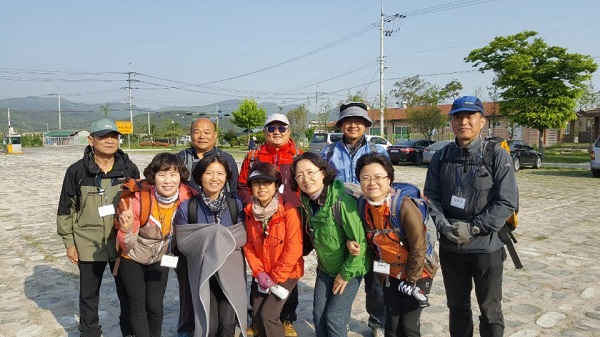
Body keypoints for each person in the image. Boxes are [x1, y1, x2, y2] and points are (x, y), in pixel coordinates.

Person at [424, 96, 518, 337]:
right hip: (451, 247)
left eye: (469, 116)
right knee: (457, 307)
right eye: (457, 117)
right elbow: (431, 196)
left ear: (482, 121)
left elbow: (507, 201)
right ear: (451, 122)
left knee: (490, 309)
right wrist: (443, 226)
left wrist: (474, 228)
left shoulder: (496, 155)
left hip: (486, 247)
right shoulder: (441, 156)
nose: (463, 122)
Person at [56, 118, 139, 337]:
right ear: (91, 140)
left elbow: (139, 205)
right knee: (89, 294)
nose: (110, 141)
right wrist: (69, 242)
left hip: (120, 242)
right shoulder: (77, 171)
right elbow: (66, 208)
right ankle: (90, 331)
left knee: (127, 292)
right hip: (87, 243)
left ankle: (129, 331)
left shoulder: (129, 169)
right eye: (103, 136)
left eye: (114, 136)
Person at [321, 101, 388, 337]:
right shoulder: (328, 152)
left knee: (376, 278)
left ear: (366, 126)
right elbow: (323, 189)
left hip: (374, 221)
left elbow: (387, 185)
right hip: (341, 224)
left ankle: (378, 321)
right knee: (343, 271)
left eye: (359, 121)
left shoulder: (377, 152)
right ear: (341, 125)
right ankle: (341, 318)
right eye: (348, 121)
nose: (353, 125)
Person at [354, 152, 437, 337]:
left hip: (418, 272)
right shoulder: (362, 205)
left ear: (389, 179)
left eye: (378, 177)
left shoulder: (404, 206)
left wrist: (411, 280)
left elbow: (418, 246)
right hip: (390, 273)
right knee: (392, 326)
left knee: (408, 327)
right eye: (365, 178)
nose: (372, 183)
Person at [291, 152, 370, 337]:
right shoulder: (306, 200)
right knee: (319, 315)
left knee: (334, 317)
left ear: (323, 173)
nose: (306, 179)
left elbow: (360, 245)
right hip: (326, 268)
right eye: (299, 175)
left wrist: (344, 275)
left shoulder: (343, 202)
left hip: (350, 269)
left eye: (311, 172)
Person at [238, 113, 303, 337]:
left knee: (288, 264)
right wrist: (254, 208)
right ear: (264, 131)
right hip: (258, 217)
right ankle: (258, 321)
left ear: (289, 132)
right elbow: (242, 186)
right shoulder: (253, 156)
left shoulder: (297, 156)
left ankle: (286, 319)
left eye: (282, 128)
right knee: (261, 267)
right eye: (272, 128)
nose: (277, 132)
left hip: (290, 217)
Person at [116, 153, 195, 337]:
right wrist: (127, 229)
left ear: (180, 177)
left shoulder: (186, 199)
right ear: (153, 177)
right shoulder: (138, 201)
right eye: (162, 174)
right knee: (137, 304)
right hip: (132, 257)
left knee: (155, 306)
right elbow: (126, 246)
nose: (168, 181)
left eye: (173, 174)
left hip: (161, 257)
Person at [175, 117, 239, 337]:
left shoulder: (227, 160)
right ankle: (186, 329)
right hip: (195, 255)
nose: (201, 135)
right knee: (195, 305)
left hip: (227, 263)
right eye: (197, 131)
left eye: (207, 131)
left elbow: (236, 193)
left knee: (227, 321)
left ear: (215, 135)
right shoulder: (180, 158)